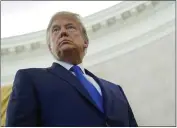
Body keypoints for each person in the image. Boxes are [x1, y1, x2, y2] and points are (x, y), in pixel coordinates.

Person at [6, 11, 138, 127]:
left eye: (70, 27)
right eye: (56, 30)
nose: (63, 32)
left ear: (85, 41)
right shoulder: (30, 79)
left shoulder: (116, 91)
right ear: (50, 46)